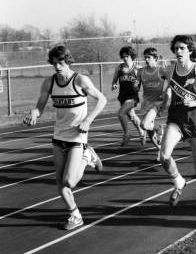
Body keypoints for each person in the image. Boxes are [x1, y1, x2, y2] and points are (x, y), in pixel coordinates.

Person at [23, 45, 107, 230]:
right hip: (59, 136)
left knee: (70, 181)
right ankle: (75, 215)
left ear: (68, 61)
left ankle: (87, 157)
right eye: (54, 63)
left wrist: (88, 121)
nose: (57, 67)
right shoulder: (49, 83)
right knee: (60, 183)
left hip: (78, 135)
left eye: (61, 62)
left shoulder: (80, 81)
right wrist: (34, 113)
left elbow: (102, 100)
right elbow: (40, 107)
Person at [160, 35, 196, 209]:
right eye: (176, 48)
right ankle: (179, 182)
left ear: (190, 50)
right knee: (164, 156)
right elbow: (167, 91)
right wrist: (164, 101)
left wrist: (194, 102)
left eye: (182, 48)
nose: (178, 51)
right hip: (175, 119)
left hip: (194, 121)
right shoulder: (169, 70)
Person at [112, 46, 146, 146]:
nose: (124, 58)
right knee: (132, 116)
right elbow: (114, 80)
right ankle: (142, 132)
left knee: (121, 113)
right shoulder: (119, 67)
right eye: (123, 56)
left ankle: (127, 134)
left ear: (131, 56)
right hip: (123, 96)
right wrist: (114, 84)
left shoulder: (138, 68)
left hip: (132, 97)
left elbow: (145, 81)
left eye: (126, 56)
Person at [137, 47, 168, 161]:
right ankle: (160, 150)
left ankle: (159, 128)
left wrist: (167, 95)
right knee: (149, 132)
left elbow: (172, 81)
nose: (146, 59)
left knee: (145, 125)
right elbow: (136, 86)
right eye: (145, 57)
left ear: (155, 59)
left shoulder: (162, 70)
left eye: (149, 57)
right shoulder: (141, 71)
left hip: (157, 103)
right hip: (146, 103)